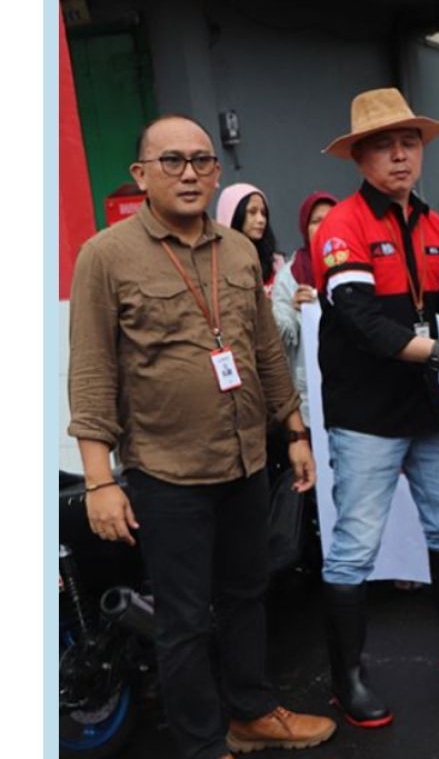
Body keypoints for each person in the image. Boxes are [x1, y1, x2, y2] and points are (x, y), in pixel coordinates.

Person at [68, 114, 336, 759]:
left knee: (248, 595)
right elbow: (93, 371)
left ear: (217, 172)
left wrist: (294, 432)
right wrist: (100, 478)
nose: (188, 173)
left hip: (245, 460)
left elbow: (267, 352)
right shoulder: (105, 256)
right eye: (171, 161)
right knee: (183, 622)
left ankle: (249, 713)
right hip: (166, 473)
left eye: (201, 160)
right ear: (141, 175)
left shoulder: (240, 251)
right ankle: (198, 744)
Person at [313, 88, 439, 729]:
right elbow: (362, 322)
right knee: (353, 551)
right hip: (366, 413)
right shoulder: (341, 226)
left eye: (409, 143)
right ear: (360, 158)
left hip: (424, 405)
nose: (400, 155)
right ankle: (347, 680)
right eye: (383, 145)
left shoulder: (430, 223)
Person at [272, 191, 338, 426]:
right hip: (309, 400)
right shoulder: (290, 276)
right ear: (304, 227)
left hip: (354, 392)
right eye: (316, 221)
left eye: (330, 220)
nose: (323, 227)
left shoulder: (355, 267)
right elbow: (278, 338)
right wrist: (293, 309)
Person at [216, 183, 286, 293]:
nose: (261, 220)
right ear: (234, 215)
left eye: (263, 213)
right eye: (252, 212)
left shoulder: (276, 263)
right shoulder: (215, 264)